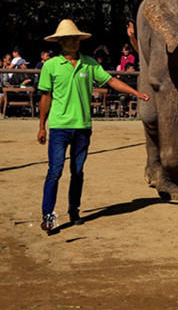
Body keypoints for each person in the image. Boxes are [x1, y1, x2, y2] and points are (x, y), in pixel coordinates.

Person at [36, 19, 149, 232]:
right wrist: (42, 126)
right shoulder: (50, 66)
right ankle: (48, 215)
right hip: (59, 126)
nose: (74, 42)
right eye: (70, 39)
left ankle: (74, 209)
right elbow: (46, 97)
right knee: (55, 171)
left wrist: (135, 92)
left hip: (83, 127)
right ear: (60, 42)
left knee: (77, 171)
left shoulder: (89, 63)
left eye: (77, 38)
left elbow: (111, 81)